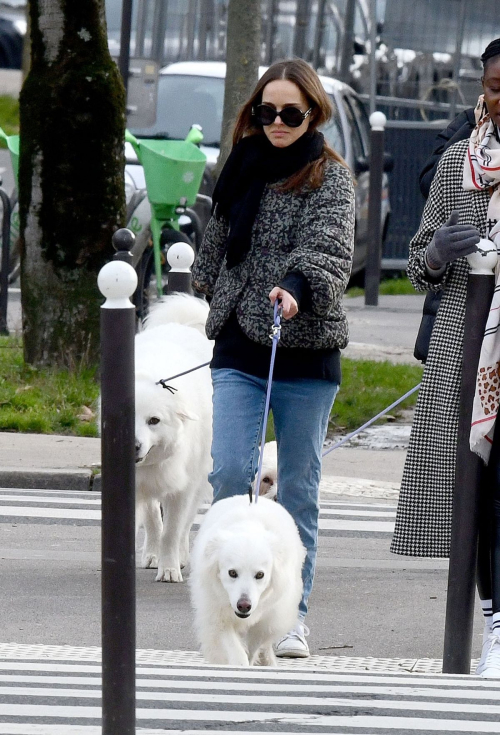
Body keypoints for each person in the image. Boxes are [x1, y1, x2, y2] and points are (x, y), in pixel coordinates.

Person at [192, 58, 355, 658]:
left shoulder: (330, 177)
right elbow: (219, 235)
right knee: (231, 472)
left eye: (292, 112)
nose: (279, 122)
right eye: (268, 111)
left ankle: (290, 615)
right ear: (254, 114)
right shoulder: (240, 165)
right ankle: (226, 595)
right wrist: (205, 283)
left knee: (298, 488)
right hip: (239, 339)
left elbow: (330, 248)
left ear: (313, 113)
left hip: (304, 347)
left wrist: (297, 287)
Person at [391, 38, 500, 678]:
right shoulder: (461, 159)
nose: (498, 99)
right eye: (492, 87)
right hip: (466, 352)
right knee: (475, 495)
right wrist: (436, 254)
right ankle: (491, 623)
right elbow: (418, 264)